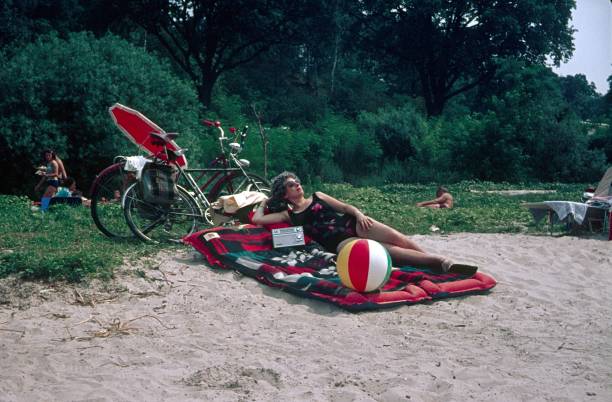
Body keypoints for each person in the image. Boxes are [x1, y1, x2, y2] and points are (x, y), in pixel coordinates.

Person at [252, 172, 477, 275]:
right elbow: (257, 219)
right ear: (284, 192)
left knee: (399, 238)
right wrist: (264, 202)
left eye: (297, 182)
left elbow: (345, 208)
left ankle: (436, 261)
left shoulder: (318, 196)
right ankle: (441, 263)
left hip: (355, 224)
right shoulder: (289, 215)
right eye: (291, 184)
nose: (297, 185)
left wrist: (359, 214)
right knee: (393, 252)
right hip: (341, 241)